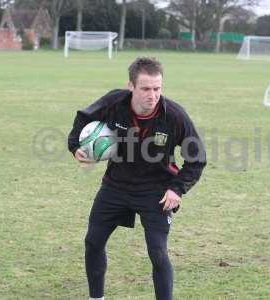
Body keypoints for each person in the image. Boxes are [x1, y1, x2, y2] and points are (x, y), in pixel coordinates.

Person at [67, 57, 206, 300]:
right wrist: (74, 146)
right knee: (93, 241)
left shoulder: (173, 115)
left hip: (156, 191)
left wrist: (177, 189)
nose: (152, 95)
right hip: (116, 185)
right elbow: (83, 117)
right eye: (145, 89)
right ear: (130, 86)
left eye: (157, 88)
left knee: (158, 252)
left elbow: (197, 158)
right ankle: (96, 298)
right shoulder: (115, 102)